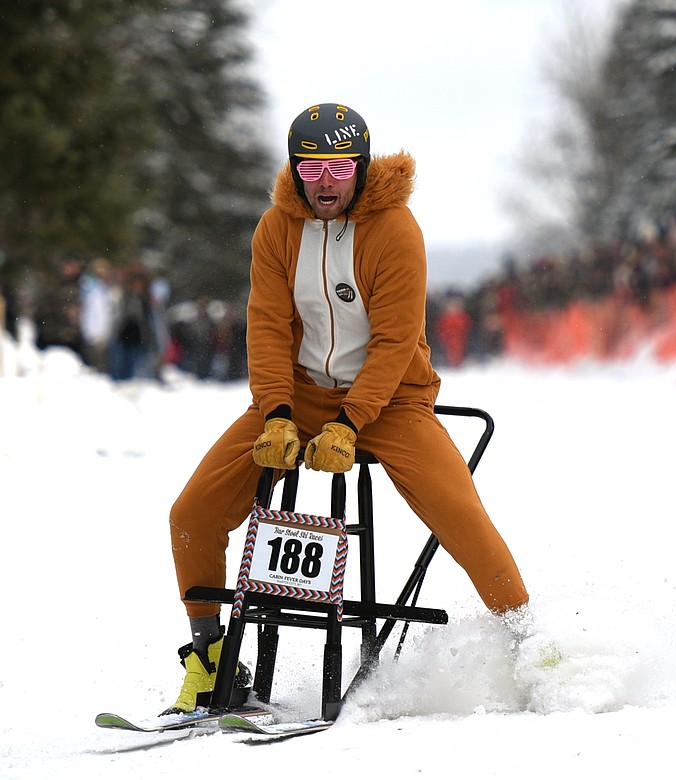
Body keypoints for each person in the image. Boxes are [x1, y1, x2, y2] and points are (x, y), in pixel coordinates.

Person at [163, 103, 529, 713]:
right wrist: (277, 411)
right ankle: (212, 661)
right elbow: (268, 327)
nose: (325, 181)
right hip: (300, 395)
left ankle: (529, 645)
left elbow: (394, 340)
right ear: (295, 170)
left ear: (359, 167)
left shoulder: (395, 229)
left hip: (393, 400)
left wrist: (350, 422)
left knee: (458, 511)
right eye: (310, 169)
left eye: (337, 167)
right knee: (192, 514)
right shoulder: (275, 229)